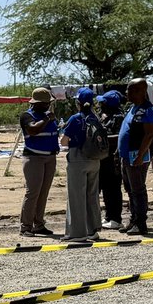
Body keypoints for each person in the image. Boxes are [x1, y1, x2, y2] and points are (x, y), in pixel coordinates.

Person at [61, 87, 107, 241]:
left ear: (78, 103)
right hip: (95, 159)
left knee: (76, 196)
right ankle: (92, 229)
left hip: (78, 158)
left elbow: (64, 141)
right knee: (92, 195)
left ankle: (77, 233)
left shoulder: (75, 118)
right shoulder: (96, 118)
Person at [118, 78, 153, 236]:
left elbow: (149, 135)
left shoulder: (149, 110)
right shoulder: (132, 108)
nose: (127, 93)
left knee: (138, 190)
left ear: (142, 91)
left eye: (131, 90)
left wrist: (140, 155)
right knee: (130, 190)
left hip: (137, 156)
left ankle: (141, 223)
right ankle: (133, 219)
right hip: (126, 156)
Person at [19, 87, 59, 237]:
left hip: (50, 157)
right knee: (33, 193)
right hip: (34, 158)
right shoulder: (27, 116)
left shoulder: (47, 115)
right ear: (36, 104)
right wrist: (47, 119)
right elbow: (33, 130)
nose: (48, 105)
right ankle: (26, 226)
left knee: (43, 193)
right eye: (46, 103)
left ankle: (39, 224)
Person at [97, 90, 125, 229]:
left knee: (113, 188)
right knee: (106, 189)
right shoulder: (105, 117)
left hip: (113, 158)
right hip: (103, 158)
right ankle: (108, 216)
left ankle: (116, 218)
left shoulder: (118, 118)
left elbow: (119, 137)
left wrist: (102, 139)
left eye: (102, 103)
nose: (100, 105)